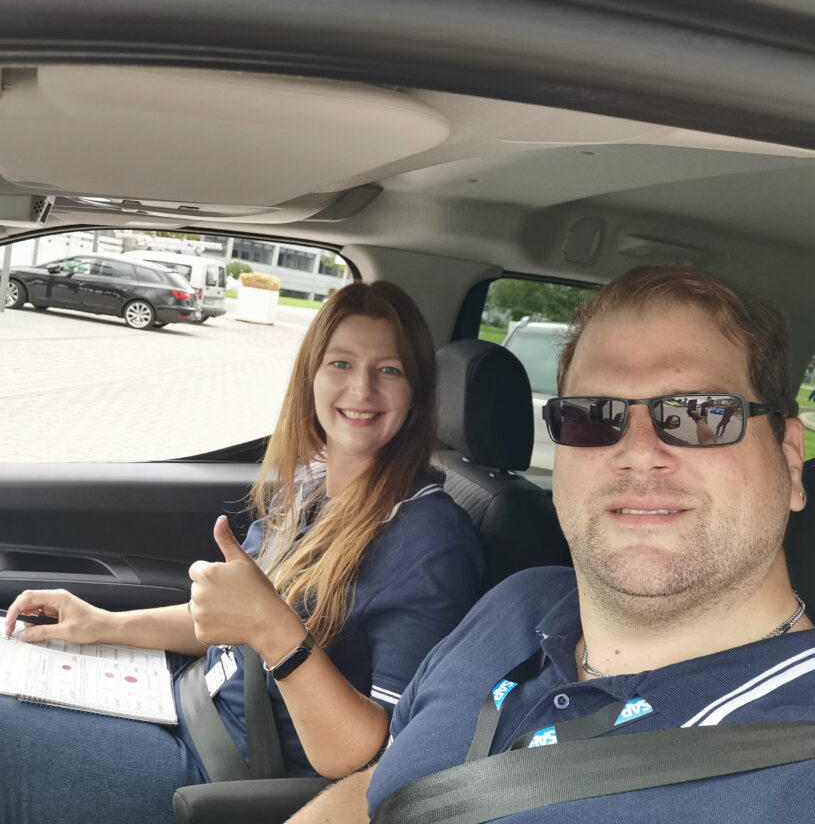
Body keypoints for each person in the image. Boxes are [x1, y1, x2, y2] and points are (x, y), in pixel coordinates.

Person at [289, 265, 813, 824]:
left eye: (699, 413)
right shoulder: (518, 603)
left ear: (788, 458)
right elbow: (379, 790)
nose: (638, 452)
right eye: (594, 416)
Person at [0, 281, 485, 824]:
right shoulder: (310, 487)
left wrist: (276, 632)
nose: (362, 388)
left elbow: (377, 757)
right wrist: (102, 624)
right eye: (341, 363)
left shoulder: (431, 542)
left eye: (389, 369)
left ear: (416, 392)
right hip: (184, 702)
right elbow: (231, 622)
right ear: (311, 376)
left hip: (227, 777)